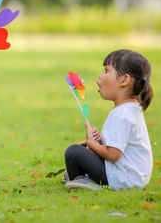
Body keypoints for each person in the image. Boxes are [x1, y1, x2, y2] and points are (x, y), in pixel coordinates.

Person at [64, 49, 153, 191]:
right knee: (81, 150)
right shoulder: (130, 109)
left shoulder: (122, 115)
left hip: (122, 178)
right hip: (130, 176)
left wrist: (92, 145)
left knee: (73, 152)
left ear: (124, 80)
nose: (100, 75)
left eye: (106, 71)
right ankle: (82, 177)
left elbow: (113, 155)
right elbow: (120, 147)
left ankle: (87, 181)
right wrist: (99, 142)